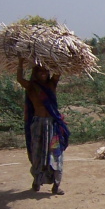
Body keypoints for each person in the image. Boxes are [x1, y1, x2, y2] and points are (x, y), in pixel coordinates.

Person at [17, 57, 70, 194]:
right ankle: (37, 180)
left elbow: (58, 72)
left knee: (56, 153)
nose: (43, 74)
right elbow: (19, 79)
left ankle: (56, 185)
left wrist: (57, 57)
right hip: (38, 125)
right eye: (40, 71)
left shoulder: (52, 84)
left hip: (53, 125)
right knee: (37, 153)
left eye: (45, 71)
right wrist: (20, 62)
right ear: (35, 73)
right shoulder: (31, 87)